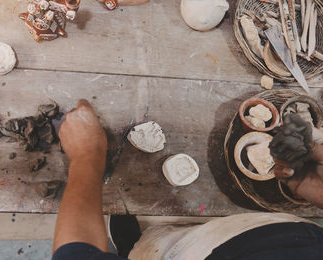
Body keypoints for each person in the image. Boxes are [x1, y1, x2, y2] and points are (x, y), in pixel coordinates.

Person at [52, 99, 323, 260]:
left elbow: (74, 254)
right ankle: (144, 244)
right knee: (163, 240)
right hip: (287, 235)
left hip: (198, 254)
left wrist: (88, 156)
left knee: (157, 252)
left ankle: (136, 251)